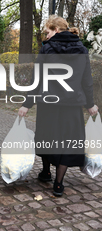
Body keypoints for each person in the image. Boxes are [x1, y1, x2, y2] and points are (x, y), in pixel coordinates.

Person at [18, 15, 98, 197]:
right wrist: (90, 104)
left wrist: (27, 104)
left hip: (49, 104)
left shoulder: (46, 50)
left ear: (56, 30)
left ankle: (46, 172)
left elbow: (36, 80)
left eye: (47, 32)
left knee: (47, 138)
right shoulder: (82, 50)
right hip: (73, 105)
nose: (45, 36)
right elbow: (87, 81)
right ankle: (59, 183)